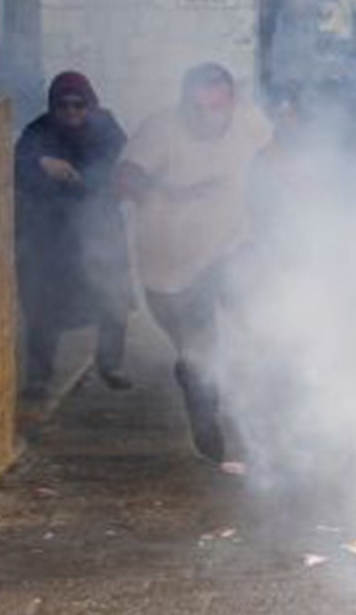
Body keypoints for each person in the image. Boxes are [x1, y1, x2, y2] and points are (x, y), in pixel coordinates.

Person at [116, 63, 273, 469]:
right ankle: (206, 424)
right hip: (169, 266)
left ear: (231, 102)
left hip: (229, 250)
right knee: (195, 351)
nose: (210, 119)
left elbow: (275, 154)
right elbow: (124, 177)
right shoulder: (161, 130)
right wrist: (170, 193)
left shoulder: (248, 121)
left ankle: (266, 427)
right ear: (185, 102)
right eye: (200, 109)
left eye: (218, 108)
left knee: (257, 326)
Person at [14, 71, 133, 401]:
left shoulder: (106, 129)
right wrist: (41, 163)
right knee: (42, 302)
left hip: (98, 225)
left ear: (90, 104)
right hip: (51, 232)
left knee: (112, 294)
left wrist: (81, 180)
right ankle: (38, 376)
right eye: (63, 106)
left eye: (79, 105)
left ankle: (110, 364)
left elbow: (120, 170)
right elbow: (15, 165)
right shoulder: (38, 132)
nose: (71, 112)